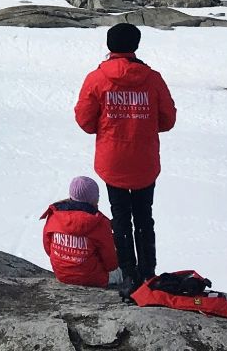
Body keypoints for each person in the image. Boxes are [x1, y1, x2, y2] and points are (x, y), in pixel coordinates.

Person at [73, 22, 175, 284]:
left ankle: (129, 275)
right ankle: (148, 273)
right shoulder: (152, 79)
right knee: (144, 217)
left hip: (113, 161)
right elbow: (168, 120)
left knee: (120, 217)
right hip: (144, 161)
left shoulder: (96, 79)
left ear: (109, 46)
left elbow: (85, 122)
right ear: (135, 46)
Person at [40, 174, 118, 287]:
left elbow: (48, 249)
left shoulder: (54, 216)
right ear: (95, 200)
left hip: (62, 275)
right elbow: (111, 264)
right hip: (94, 279)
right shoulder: (100, 223)